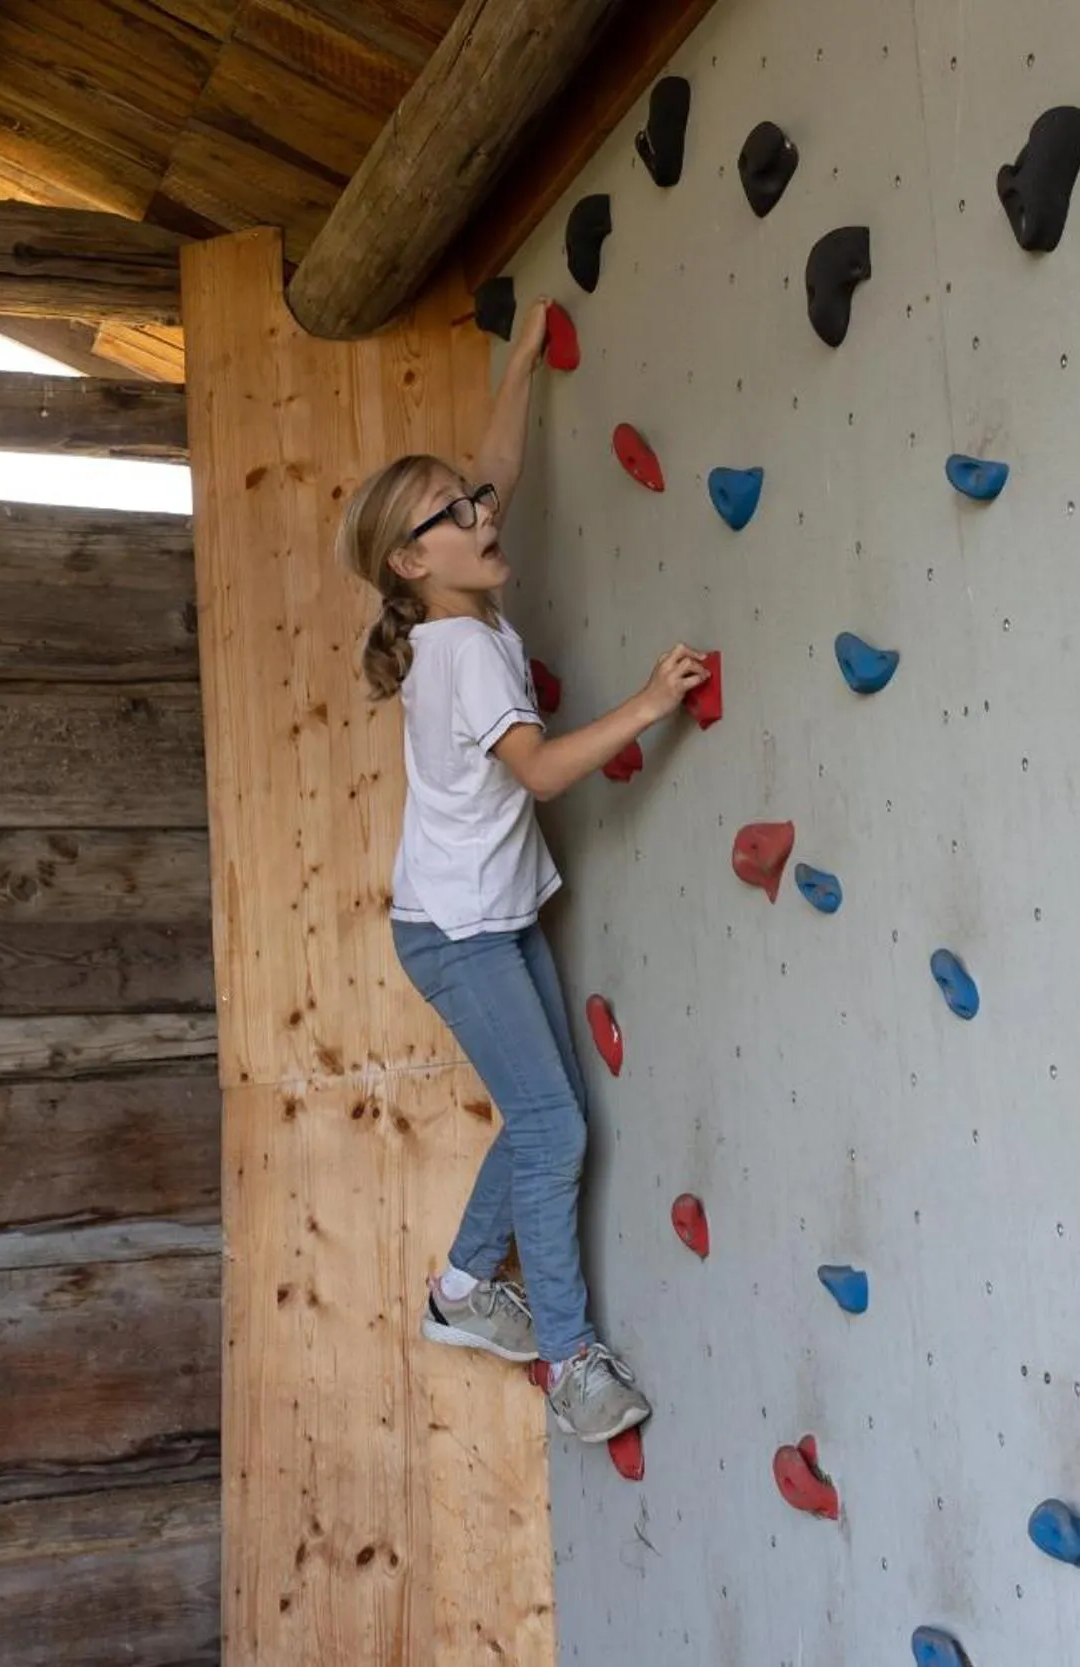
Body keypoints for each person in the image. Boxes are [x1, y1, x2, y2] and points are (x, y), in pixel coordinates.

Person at [337, 297, 708, 1444]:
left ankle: (461, 1290)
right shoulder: (461, 662)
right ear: (413, 561)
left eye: (472, 500)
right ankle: (568, 1361)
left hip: (482, 920)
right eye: (451, 512)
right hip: (457, 933)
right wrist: (648, 705)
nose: (478, 509)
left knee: (544, 1115)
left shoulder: (458, 602)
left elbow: (495, 465)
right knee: (554, 1130)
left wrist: (529, 360)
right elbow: (542, 772)